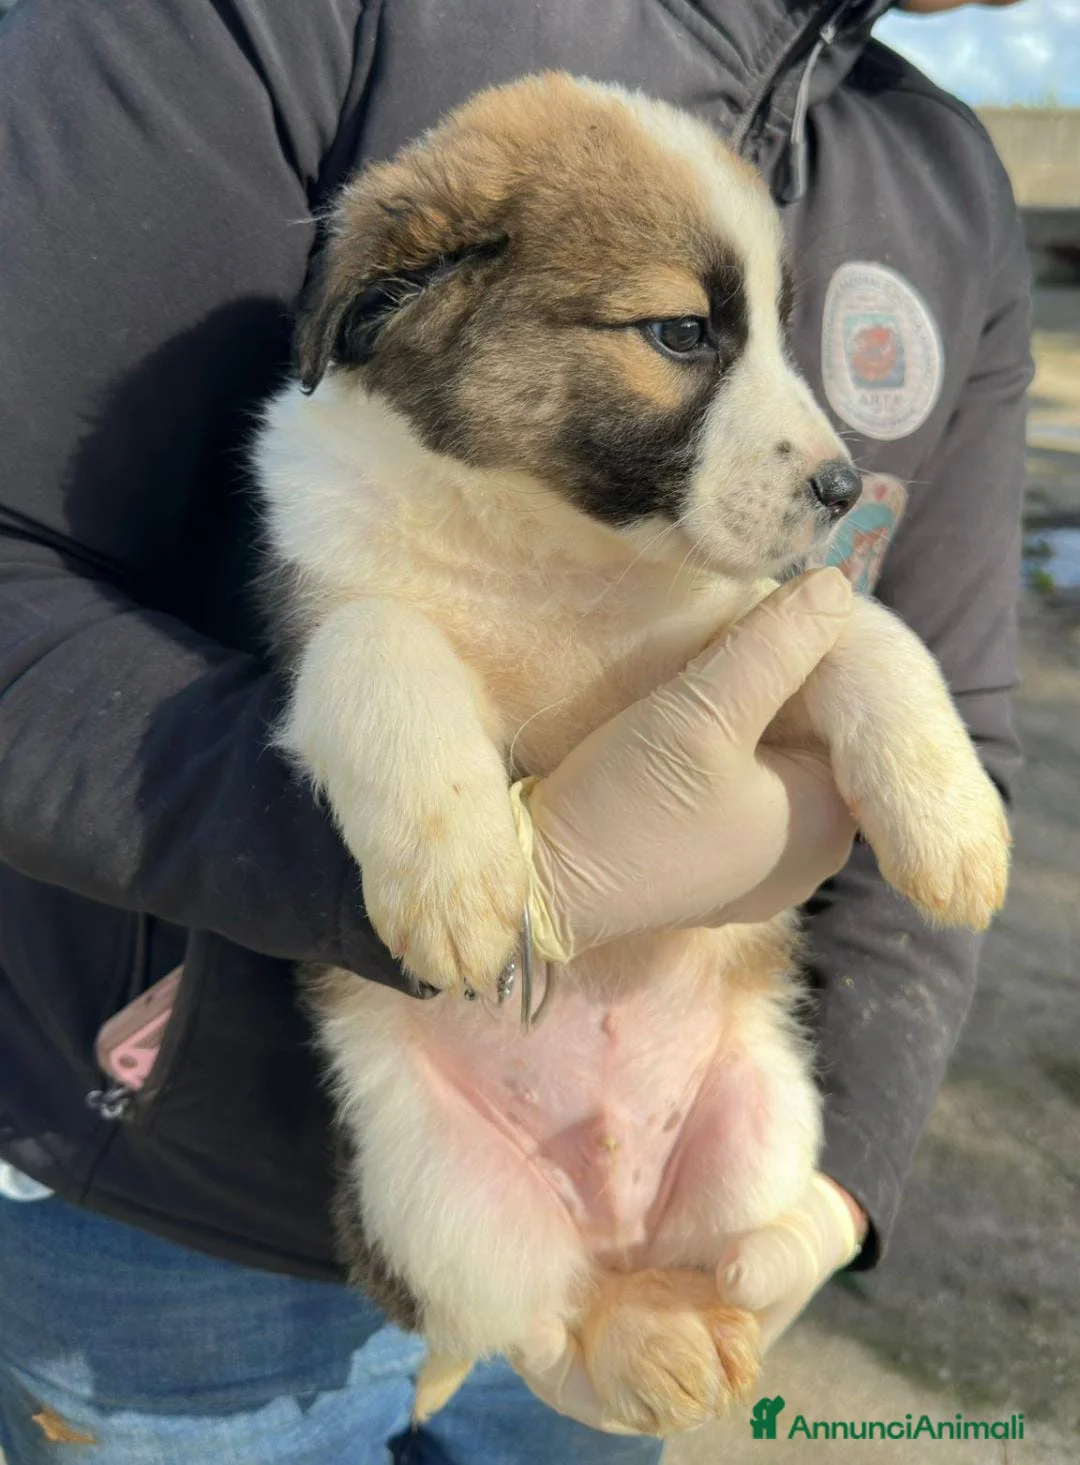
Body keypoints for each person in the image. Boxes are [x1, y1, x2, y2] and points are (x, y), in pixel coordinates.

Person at [0, 1, 1030, 1461]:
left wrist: (833, 1180)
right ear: (385, 297)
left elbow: (931, 706)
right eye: (685, 335)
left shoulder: (940, 172)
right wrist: (452, 858)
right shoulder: (290, 41)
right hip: (172, 1227)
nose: (814, 451)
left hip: (670, 1148)